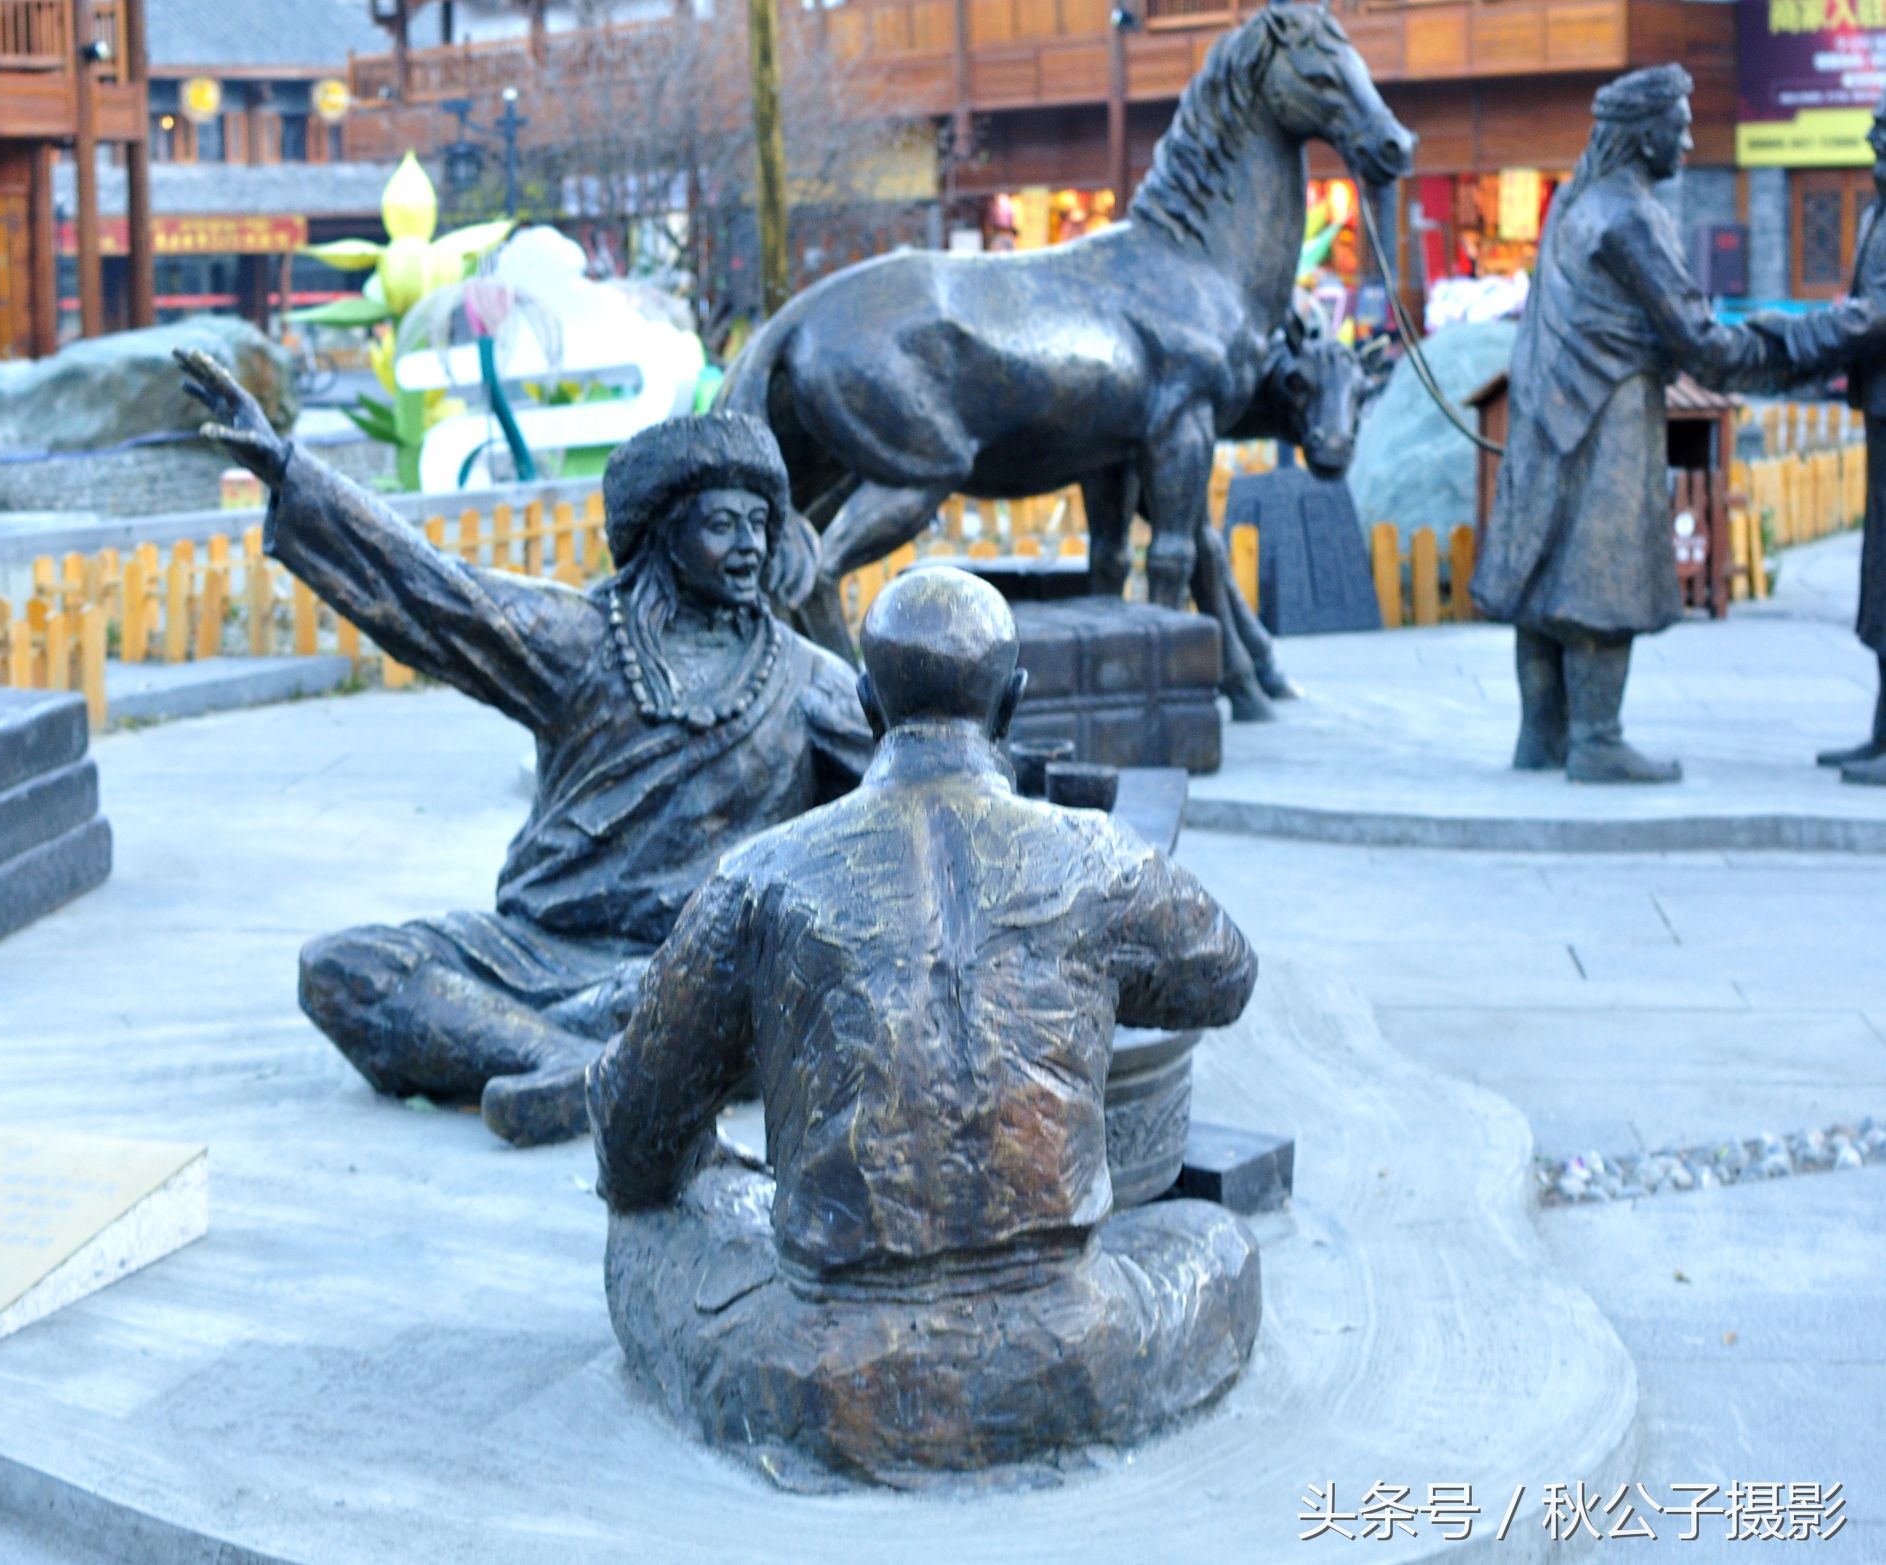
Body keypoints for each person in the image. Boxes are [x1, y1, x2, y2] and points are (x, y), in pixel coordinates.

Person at [588, 567, 1261, 1484]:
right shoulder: (1095, 856)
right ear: (1012, 703)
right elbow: (1225, 975)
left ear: (868, 705)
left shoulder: (760, 875)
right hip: (1075, 1350)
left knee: (645, 1231)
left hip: (825, 1378)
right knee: (1216, 1241)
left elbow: (634, 1142)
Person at [180, 351, 872, 1145]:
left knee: (755, 988)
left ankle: (575, 1051)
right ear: (666, 535)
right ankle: (567, 1060)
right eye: (722, 524)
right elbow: (437, 595)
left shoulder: (808, 681)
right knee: (344, 967)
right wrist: (293, 474)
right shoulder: (584, 642)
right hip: (535, 953)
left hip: (692, 966)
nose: (748, 545)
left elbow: (907, 789)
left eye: (759, 525)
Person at [1471, 64, 1886, 783]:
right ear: (1643, 137)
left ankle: (1542, 735)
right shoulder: (1631, 217)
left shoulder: (1574, 200)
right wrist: (1787, 348)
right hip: (1608, 414)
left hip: (1552, 411)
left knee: (1546, 563)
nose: (1689, 142)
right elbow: (1699, 340)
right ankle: (1596, 739)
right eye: (1679, 128)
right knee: (1597, 569)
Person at [1827, 93, 1886, 787]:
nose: (1875, 140)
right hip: (1879, 409)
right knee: (1880, 573)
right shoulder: (1874, 215)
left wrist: (1804, 337)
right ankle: (1881, 731)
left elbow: (1877, 312)